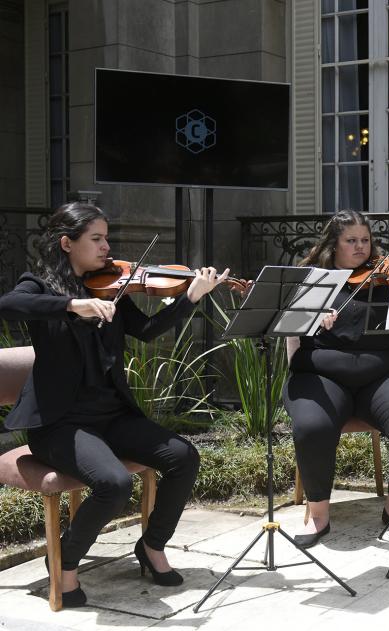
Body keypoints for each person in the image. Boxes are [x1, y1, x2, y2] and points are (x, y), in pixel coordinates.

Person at [0, 202, 228, 608]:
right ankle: (65, 563)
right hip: (58, 424)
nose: (107, 246)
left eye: (107, 237)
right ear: (67, 243)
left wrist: (191, 297)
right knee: (115, 483)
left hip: (111, 415)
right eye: (97, 238)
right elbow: (9, 305)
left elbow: (147, 329)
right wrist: (72, 305)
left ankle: (152, 546)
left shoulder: (112, 286)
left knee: (183, 456)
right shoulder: (38, 286)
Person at [283, 210, 389, 548]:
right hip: (318, 376)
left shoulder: (386, 281)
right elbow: (286, 327)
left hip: (379, 377)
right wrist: (310, 318)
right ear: (333, 244)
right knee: (313, 427)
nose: (360, 247)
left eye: (365, 240)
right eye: (351, 240)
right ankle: (319, 516)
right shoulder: (313, 279)